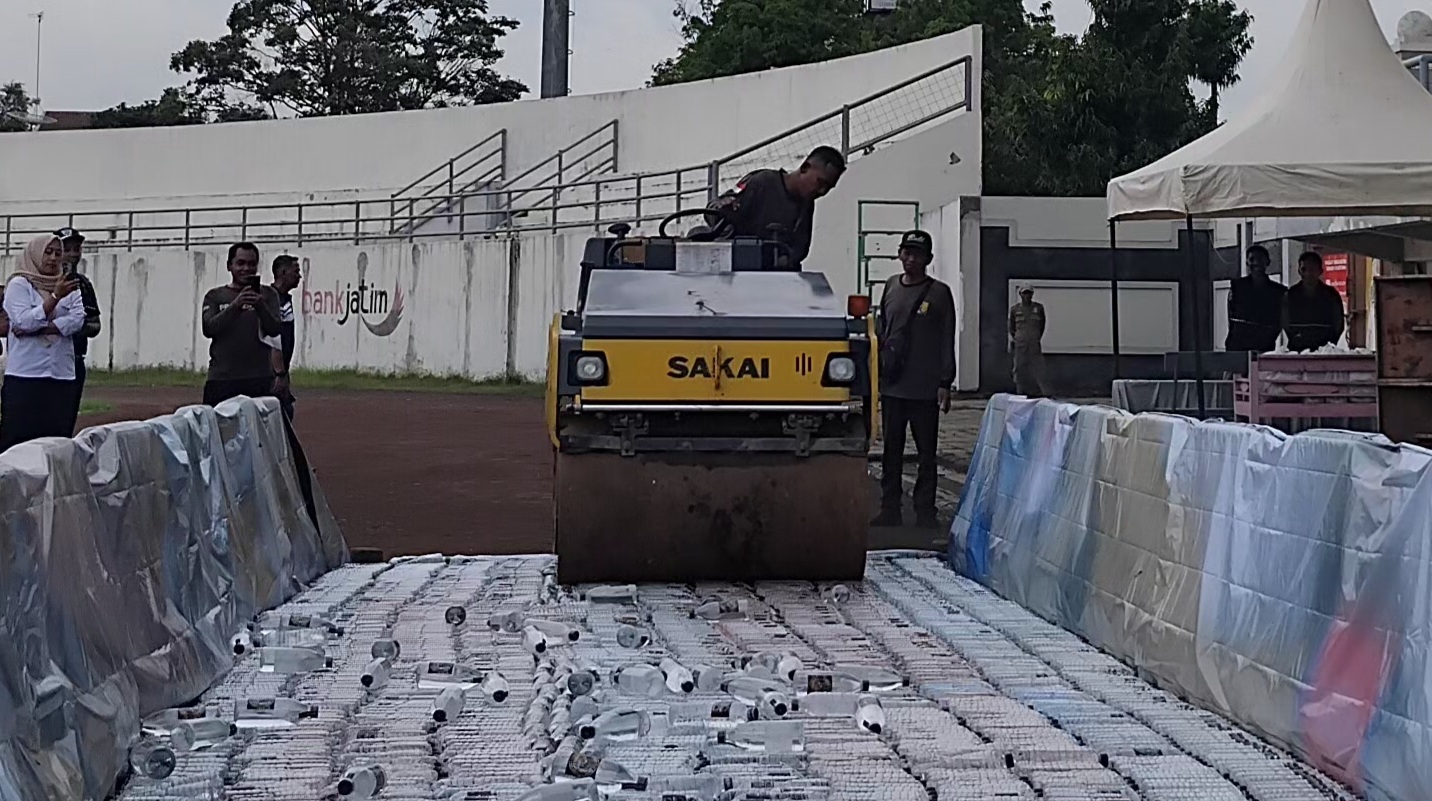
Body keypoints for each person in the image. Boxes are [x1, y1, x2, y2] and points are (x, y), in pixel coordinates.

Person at [872, 230, 956, 530]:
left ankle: (925, 512)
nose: (910, 259)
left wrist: (945, 382)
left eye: (917, 254)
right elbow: (881, 330)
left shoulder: (939, 293)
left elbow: (947, 338)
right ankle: (889, 510)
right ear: (899, 254)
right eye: (906, 252)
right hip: (893, 387)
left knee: (926, 455)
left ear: (928, 259)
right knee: (890, 453)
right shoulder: (891, 286)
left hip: (924, 389)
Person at [0, 235, 88, 452]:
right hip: (26, 374)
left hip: (61, 373)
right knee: (19, 441)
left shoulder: (68, 283)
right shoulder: (19, 284)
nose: (53, 258)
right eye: (48, 252)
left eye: (58, 253)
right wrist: (55, 297)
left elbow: (78, 319)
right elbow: (23, 321)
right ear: (35, 254)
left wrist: (43, 328)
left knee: (56, 441)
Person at [705, 145, 847, 268]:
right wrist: (723, 210)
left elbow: (801, 248)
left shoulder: (806, 204)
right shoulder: (762, 182)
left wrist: (787, 259)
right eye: (820, 183)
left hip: (776, 278)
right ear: (805, 168)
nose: (822, 191)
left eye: (828, 187)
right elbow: (715, 212)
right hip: (738, 270)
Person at [201, 242, 284, 407]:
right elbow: (209, 329)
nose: (246, 269)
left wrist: (260, 305)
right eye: (240, 263)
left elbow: (275, 329)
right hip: (222, 378)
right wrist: (236, 305)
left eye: (251, 264)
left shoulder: (268, 294)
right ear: (229, 266)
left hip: (259, 377)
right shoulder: (215, 296)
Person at [55, 228, 102, 430]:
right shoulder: (38, 280)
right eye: (68, 249)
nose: (73, 254)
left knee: (67, 419)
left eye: (77, 249)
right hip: (46, 360)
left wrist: (69, 326)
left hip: (74, 359)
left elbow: (95, 324)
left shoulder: (83, 283)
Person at [1225, 245, 1285, 353]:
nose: (1256, 262)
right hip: (1237, 347)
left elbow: (1281, 321)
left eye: (1260, 259)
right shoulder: (1237, 286)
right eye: (1252, 259)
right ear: (1247, 262)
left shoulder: (1279, 291)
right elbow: (1231, 316)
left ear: (1267, 262)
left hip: (1264, 347)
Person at [1282, 252, 1345, 352]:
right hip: (1297, 350)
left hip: (1324, 350)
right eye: (1304, 269)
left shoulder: (1331, 295)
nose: (1308, 273)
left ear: (1320, 271)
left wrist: (1330, 343)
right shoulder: (1290, 295)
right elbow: (1285, 322)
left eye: (1312, 269)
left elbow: (1338, 324)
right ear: (1299, 271)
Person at [270, 254, 301, 420]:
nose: (299, 276)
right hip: (272, 374)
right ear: (282, 272)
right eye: (295, 271)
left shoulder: (285, 299)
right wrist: (279, 373)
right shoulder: (270, 299)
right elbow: (272, 338)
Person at [1008, 285, 1046, 397]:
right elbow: (1011, 327)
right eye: (1024, 293)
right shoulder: (1015, 309)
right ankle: (1019, 391)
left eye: (1029, 293)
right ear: (1020, 294)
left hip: (1034, 343)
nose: (1027, 295)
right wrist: (1017, 338)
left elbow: (1042, 324)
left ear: (1032, 294)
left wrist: (1036, 336)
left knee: (1039, 367)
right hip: (1020, 344)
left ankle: (1043, 391)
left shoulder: (1038, 308)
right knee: (1019, 367)